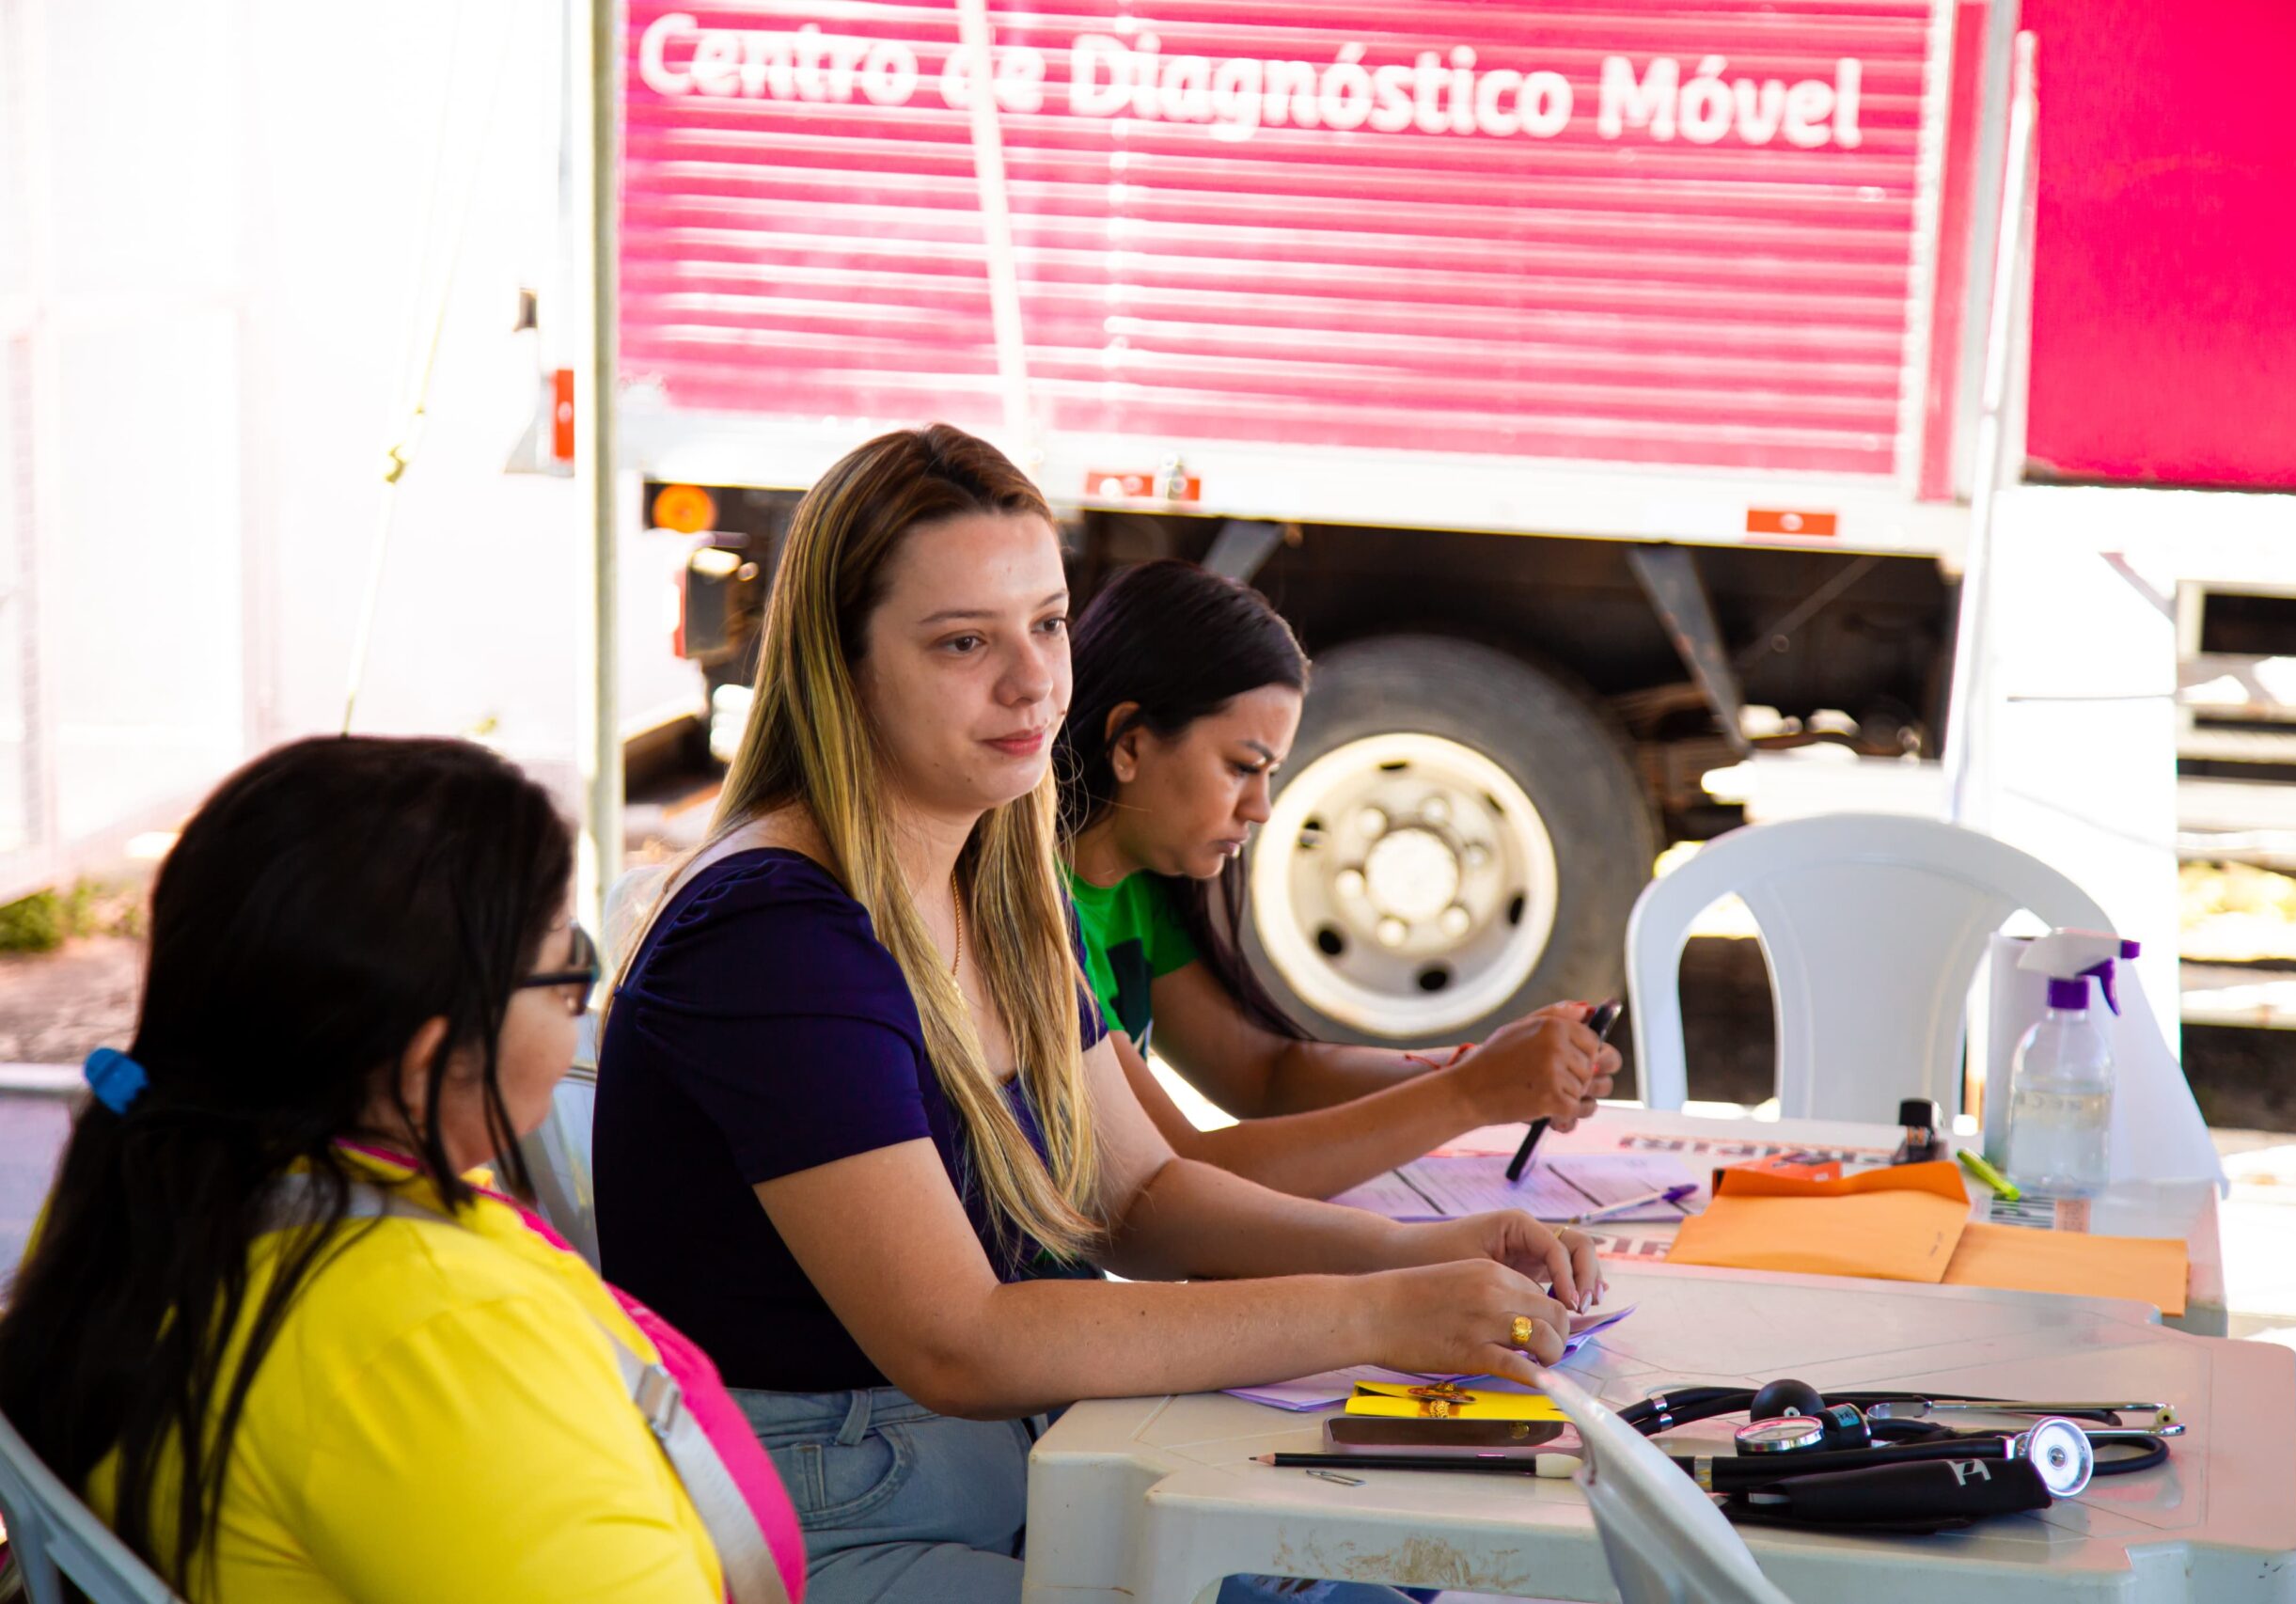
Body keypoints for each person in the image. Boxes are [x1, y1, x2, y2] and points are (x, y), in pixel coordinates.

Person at [593, 425, 1601, 1604]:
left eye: (1048, 622)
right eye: (965, 641)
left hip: (1012, 1452)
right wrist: (1376, 1308)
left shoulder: (999, 878)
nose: (1032, 682)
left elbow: (1133, 1195)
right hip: (829, 1514)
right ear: (840, 666)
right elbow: (957, 1339)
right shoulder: (775, 928)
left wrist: (1422, 1251)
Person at [0, 735, 805, 1604]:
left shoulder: (160, 1176)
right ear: (431, 1060)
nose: (580, 1002)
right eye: (565, 972)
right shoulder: (435, 1340)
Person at [1056, 558, 1621, 1200]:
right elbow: (1179, 1178)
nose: (1260, 808)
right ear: (1129, 744)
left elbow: (1262, 1075)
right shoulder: (1037, 914)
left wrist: (1483, 1067)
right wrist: (1470, 1094)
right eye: (1242, 766)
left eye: (1270, 775)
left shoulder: (1137, 885)